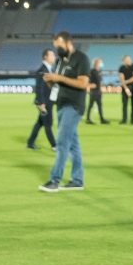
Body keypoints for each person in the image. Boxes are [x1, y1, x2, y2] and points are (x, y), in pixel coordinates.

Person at [39, 31, 90, 192]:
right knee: (73, 145)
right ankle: (77, 180)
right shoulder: (60, 61)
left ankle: (55, 180)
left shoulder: (81, 58)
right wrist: (50, 81)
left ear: (68, 42)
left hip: (74, 106)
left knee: (62, 142)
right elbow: (57, 85)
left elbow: (83, 83)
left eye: (59, 46)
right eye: (56, 47)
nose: (57, 50)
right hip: (60, 104)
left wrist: (59, 78)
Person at [26, 48, 57, 150]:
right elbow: (39, 88)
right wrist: (42, 104)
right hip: (44, 103)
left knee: (40, 123)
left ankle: (30, 143)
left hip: (48, 101)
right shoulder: (42, 71)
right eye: (51, 55)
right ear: (45, 57)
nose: (54, 57)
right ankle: (54, 145)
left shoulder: (49, 70)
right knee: (48, 123)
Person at [85, 58, 109, 124]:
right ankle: (88, 119)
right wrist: (90, 85)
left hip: (98, 91)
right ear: (96, 63)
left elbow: (99, 82)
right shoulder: (92, 71)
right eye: (100, 62)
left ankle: (102, 119)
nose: (101, 64)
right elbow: (87, 80)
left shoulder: (98, 71)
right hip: (93, 91)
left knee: (99, 105)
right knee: (91, 105)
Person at [118, 55, 133, 124]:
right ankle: (124, 119)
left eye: (129, 59)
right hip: (125, 88)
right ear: (124, 61)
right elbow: (121, 78)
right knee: (124, 104)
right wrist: (126, 88)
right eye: (127, 59)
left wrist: (126, 82)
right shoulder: (121, 68)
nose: (129, 60)